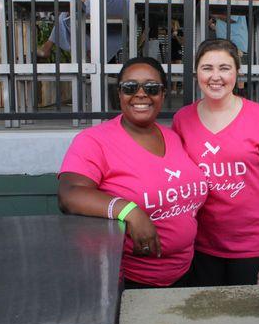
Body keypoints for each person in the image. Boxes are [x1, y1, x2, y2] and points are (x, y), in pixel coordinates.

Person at [58, 57, 207, 289]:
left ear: (163, 94)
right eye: (130, 87)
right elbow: (70, 194)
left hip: (186, 272)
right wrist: (131, 212)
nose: (141, 94)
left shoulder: (173, 137)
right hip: (133, 281)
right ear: (119, 94)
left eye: (151, 88)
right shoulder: (95, 141)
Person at [172, 39, 259, 286]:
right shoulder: (182, 120)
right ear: (197, 73)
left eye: (224, 68)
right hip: (200, 247)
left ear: (237, 74)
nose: (215, 76)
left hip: (252, 249)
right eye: (207, 68)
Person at [38, 0, 140, 61]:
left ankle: (48, 46)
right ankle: (95, 52)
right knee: (119, 29)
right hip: (126, 9)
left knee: (69, 12)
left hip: (102, 4)